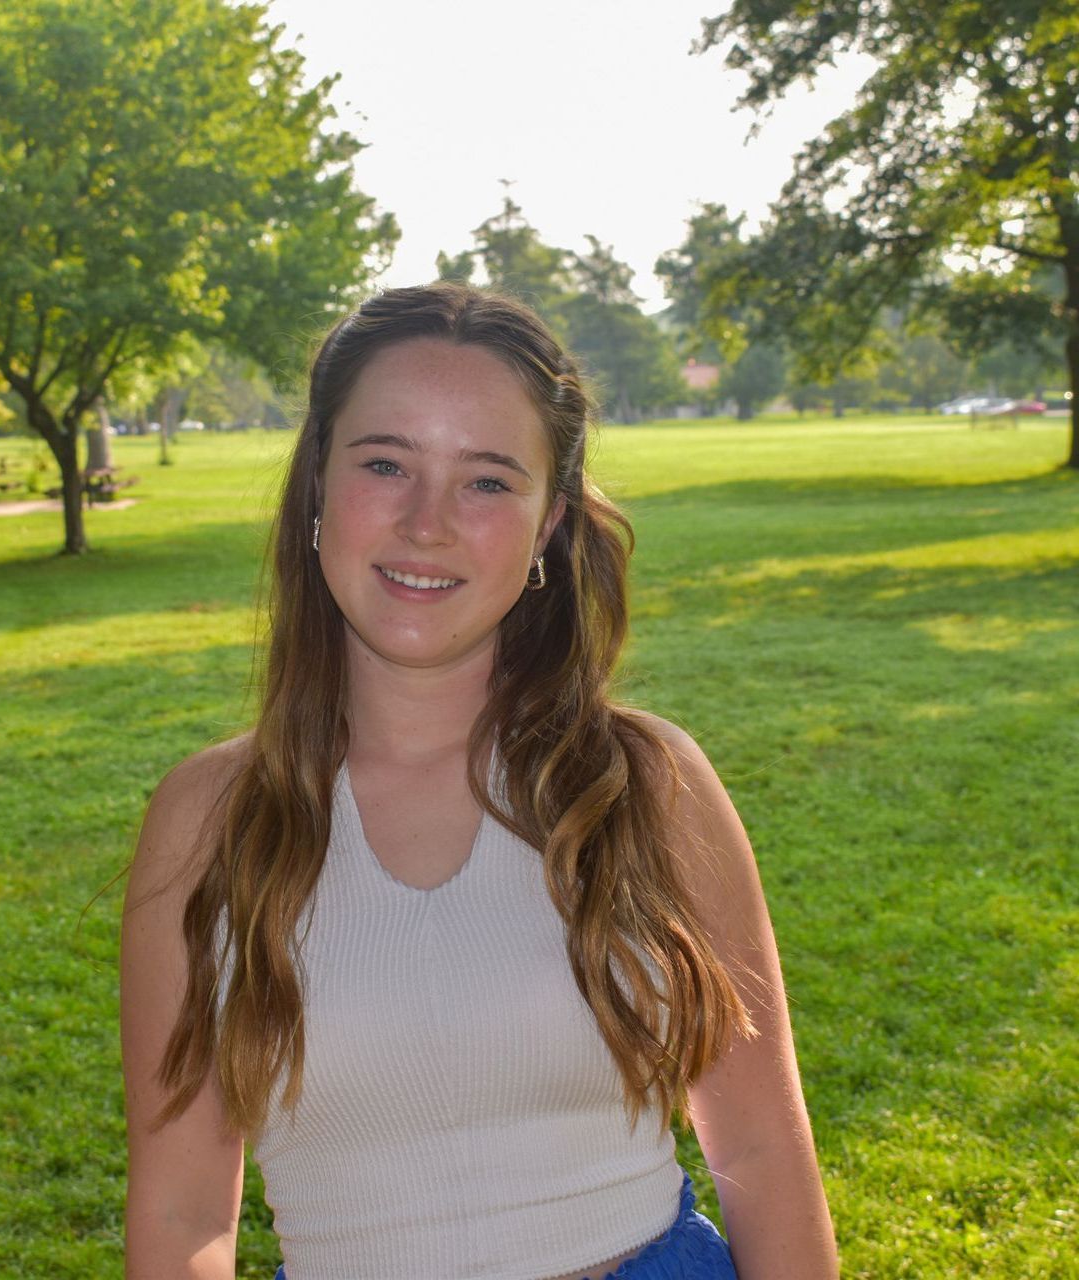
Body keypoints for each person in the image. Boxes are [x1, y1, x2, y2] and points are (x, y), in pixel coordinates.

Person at [121, 282, 838, 1280]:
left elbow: (759, 1148)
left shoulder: (644, 784)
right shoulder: (207, 820)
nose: (427, 522)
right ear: (316, 486)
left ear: (549, 521)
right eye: (384, 463)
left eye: (487, 480)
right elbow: (180, 1207)